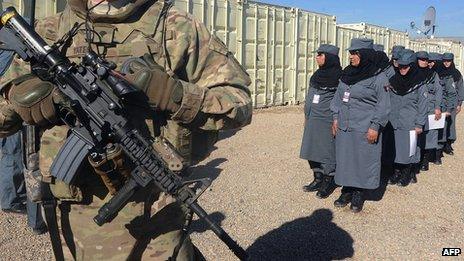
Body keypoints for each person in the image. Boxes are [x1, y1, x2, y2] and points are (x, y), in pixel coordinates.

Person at [0, 0, 252, 260]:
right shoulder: (50, 30)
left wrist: (176, 95)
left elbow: (239, 105)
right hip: (74, 226)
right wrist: (15, 99)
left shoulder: (176, 27)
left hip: (158, 218)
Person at [330, 38, 391, 213]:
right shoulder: (347, 74)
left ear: (365, 55)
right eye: (350, 53)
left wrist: (375, 125)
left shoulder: (378, 77)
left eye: (355, 53)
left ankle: (358, 192)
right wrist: (335, 117)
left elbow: (383, 104)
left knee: (363, 159)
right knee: (345, 158)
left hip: (365, 126)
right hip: (345, 125)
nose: (351, 56)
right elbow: (338, 98)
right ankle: (346, 190)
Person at [300, 44, 342, 199]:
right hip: (313, 118)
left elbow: (339, 102)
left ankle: (328, 179)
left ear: (329, 57)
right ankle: (317, 177)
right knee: (312, 149)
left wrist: (336, 120)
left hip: (327, 119)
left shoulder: (338, 77)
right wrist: (306, 116)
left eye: (320, 54)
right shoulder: (317, 75)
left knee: (327, 151)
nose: (317, 57)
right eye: (317, 54)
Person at [387, 50, 428, 186]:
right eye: (400, 66)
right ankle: (397, 171)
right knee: (396, 149)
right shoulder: (393, 81)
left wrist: (419, 124)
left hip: (410, 122)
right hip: (394, 122)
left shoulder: (420, 83)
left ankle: (408, 172)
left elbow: (423, 106)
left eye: (406, 66)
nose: (402, 69)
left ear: (412, 66)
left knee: (410, 149)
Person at [416, 51, 442, 171]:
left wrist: (437, 107)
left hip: (430, 107)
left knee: (430, 134)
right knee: (417, 134)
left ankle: (425, 160)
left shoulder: (433, 74)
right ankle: (415, 159)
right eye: (422, 59)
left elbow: (438, 91)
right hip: (416, 108)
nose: (425, 62)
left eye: (427, 60)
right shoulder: (413, 74)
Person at [441, 52, 463, 155]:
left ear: (452, 61)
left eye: (448, 61)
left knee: (451, 124)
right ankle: (440, 145)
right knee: (441, 124)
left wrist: (459, 103)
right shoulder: (439, 72)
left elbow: (460, 89)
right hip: (441, 102)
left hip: (453, 102)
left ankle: (448, 144)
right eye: (444, 61)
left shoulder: (456, 74)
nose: (446, 63)